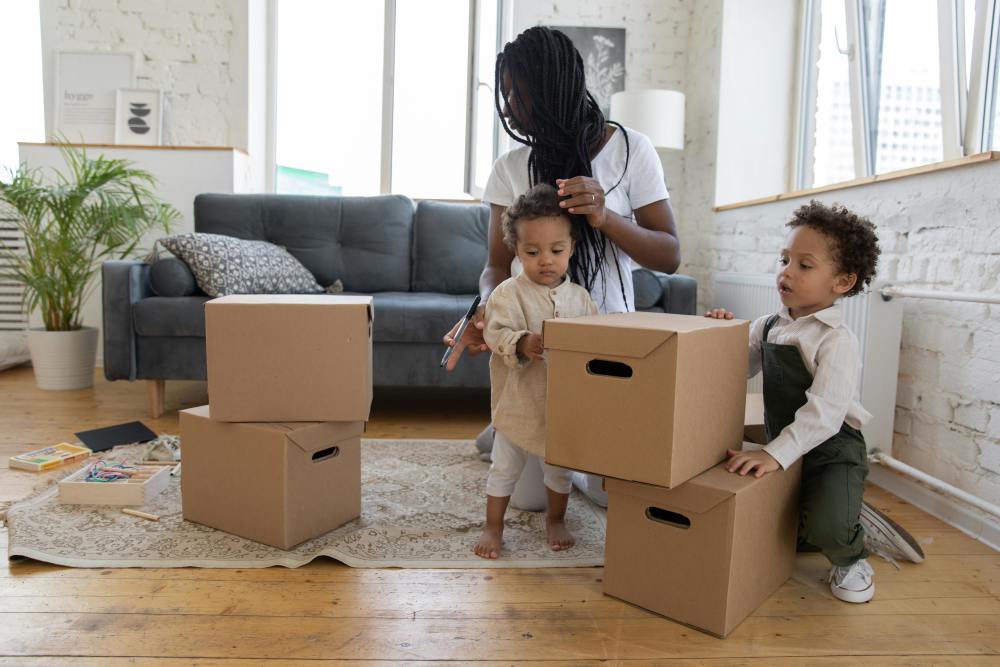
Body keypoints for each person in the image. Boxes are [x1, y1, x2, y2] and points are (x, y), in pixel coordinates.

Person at [443, 26, 681, 508]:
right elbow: (495, 266)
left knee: (612, 497)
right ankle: (513, 426)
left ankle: (525, 434)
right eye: (503, 96)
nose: (507, 109)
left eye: (516, 93)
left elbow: (670, 255)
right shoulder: (511, 167)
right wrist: (486, 312)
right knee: (530, 500)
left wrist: (605, 217)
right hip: (535, 344)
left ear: (554, 86)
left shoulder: (632, 149)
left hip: (607, 336)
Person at [706, 200, 922, 603]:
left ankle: (852, 554)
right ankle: (842, 515)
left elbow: (824, 414)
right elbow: (733, 371)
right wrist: (718, 334)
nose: (786, 271)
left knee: (827, 531)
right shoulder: (768, 326)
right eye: (784, 259)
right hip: (784, 444)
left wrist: (774, 454)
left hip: (831, 448)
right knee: (782, 533)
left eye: (804, 265)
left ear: (841, 282)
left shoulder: (835, 339)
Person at [473, 184, 598, 559]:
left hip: (562, 409)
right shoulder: (508, 294)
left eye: (556, 250)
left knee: (559, 472)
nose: (546, 260)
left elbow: (595, 342)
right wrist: (523, 341)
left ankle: (556, 520)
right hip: (519, 405)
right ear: (517, 251)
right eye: (532, 251)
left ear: (571, 248)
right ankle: (493, 527)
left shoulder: (581, 298)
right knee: (503, 469)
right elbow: (495, 334)